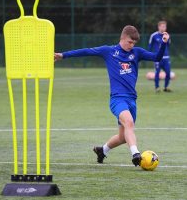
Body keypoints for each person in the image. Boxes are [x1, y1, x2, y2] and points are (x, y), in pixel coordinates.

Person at [54, 25, 169, 166]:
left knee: (123, 137)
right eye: (130, 42)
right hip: (117, 99)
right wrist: (64, 55)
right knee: (129, 123)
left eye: (134, 43)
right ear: (123, 38)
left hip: (132, 99)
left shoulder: (137, 53)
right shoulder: (109, 51)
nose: (131, 45)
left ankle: (102, 150)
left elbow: (157, 57)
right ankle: (136, 154)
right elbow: (86, 51)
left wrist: (163, 42)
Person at [148, 20, 172, 92]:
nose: (163, 28)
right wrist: (151, 55)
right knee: (157, 72)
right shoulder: (154, 35)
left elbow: (168, 45)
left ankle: (166, 87)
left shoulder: (167, 36)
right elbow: (150, 46)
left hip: (166, 58)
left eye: (165, 26)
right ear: (158, 27)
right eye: (162, 26)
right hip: (157, 58)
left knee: (168, 73)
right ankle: (157, 87)